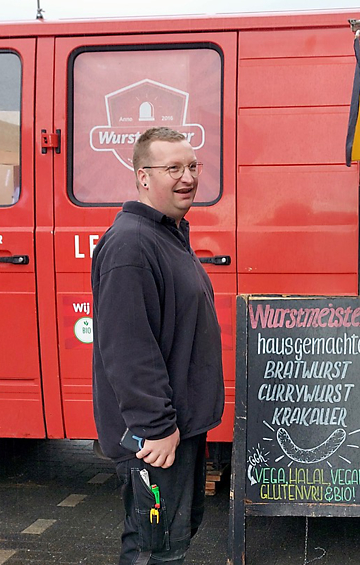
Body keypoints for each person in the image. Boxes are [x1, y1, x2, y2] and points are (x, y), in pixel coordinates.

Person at [91, 126, 224, 564]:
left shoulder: (168, 234)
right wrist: (156, 426)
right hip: (156, 440)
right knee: (153, 550)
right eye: (173, 168)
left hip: (178, 430)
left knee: (170, 541)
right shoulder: (131, 244)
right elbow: (128, 349)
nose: (187, 177)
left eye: (191, 166)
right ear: (143, 176)